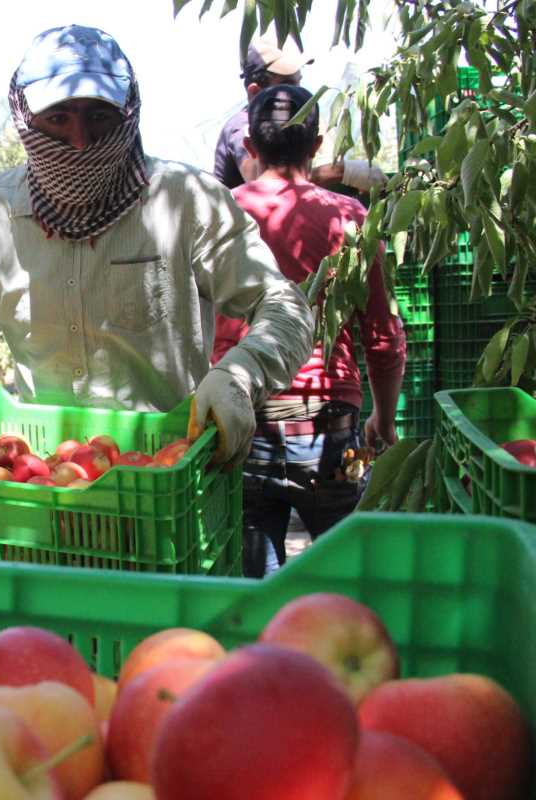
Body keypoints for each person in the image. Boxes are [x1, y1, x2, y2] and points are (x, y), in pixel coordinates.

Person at [0, 24, 314, 469]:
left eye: (99, 116)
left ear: (128, 112)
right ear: (25, 117)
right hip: (47, 480)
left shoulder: (188, 201)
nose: (79, 141)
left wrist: (238, 376)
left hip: (164, 479)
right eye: (57, 118)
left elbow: (285, 306)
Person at [211, 83, 406, 577]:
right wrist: (383, 419)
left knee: (258, 588)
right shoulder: (351, 218)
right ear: (316, 147)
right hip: (330, 430)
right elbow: (383, 339)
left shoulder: (221, 216)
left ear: (250, 148)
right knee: (346, 582)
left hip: (242, 425)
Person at [213, 36, 387, 194]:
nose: (297, 93)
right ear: (255, 93)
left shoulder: (295, 126)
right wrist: (343, 172)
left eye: (298, 82)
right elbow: (270, 187)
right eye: (287, 84)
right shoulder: (241, 128)